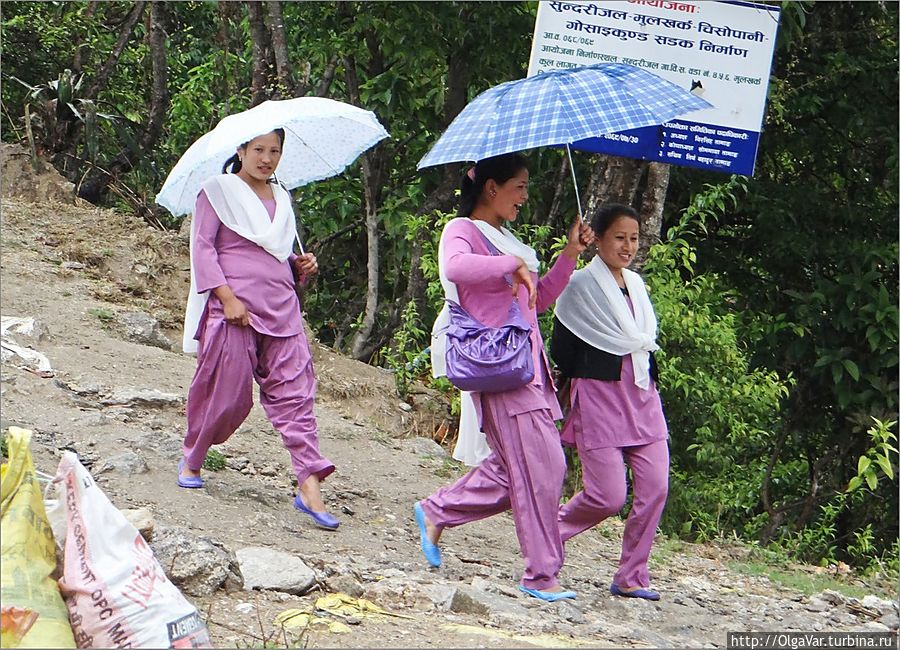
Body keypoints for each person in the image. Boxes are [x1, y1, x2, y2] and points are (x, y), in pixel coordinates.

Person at [415, 153, 594, 602]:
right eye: (519, 186)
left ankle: (436, 510)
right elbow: (455, 267)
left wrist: (570, 252)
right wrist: (506, 265)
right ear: (491, 188)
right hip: (499, 367)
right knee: (545, 467)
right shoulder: (463, 232)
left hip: (528, 367)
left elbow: (536, 301)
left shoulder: (508, 240)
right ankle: (540, 574)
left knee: (516, 470)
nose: (524, 197)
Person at [177, 128, 340, 530]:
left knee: (297, 396)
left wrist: (301, 268)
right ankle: (194, 455)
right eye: (259, 150)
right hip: (235, 309)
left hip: (282, 308)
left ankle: (309, 485)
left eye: (274, 151)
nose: (266, 159)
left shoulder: (282, 196)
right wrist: (227, 297)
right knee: (225, 393)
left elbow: (279, 254)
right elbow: (202, 247)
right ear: (241, 150)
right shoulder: (216, 191)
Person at [551, 203, 669, 600]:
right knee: (608, 495)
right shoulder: (580, 285)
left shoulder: (637, 285)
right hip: (599, 397)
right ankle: (547, 536)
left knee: (655, 487)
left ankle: (632, 575)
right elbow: (562, 350)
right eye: (619, 237)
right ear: (597, 238)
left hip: (641, 394)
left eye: (634, 238)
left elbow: (643, 342)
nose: (628, 246)